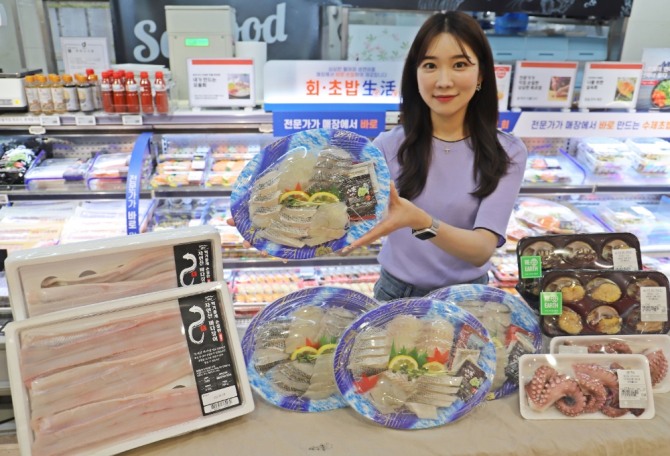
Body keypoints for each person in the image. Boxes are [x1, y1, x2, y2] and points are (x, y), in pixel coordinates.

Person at [342, 11, 528, 301]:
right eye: (430, 65)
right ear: (415, 74)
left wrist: (420, 221)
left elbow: (481, 250)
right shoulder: (386, 146)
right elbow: (351, 214)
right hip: (396, 294)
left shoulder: (507, 152)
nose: (443, 81)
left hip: (468, 298)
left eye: (459, 65)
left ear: (481, 74)